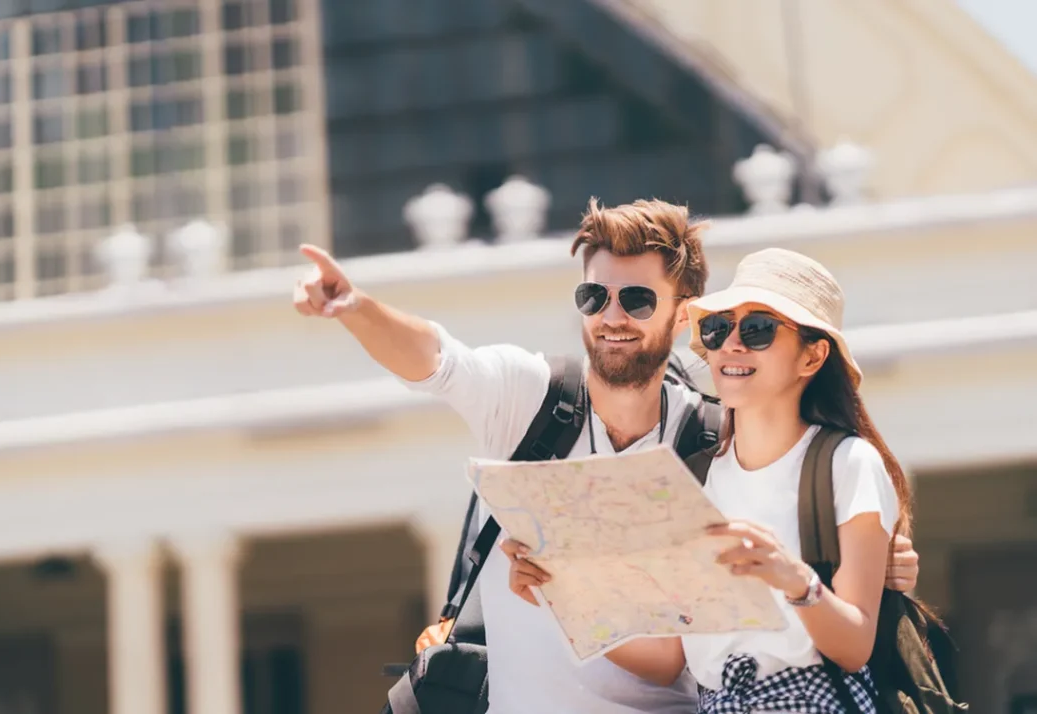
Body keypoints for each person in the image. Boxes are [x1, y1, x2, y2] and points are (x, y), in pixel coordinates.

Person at [293, 198, 920, 714]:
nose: (611, 317)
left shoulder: (711, 441)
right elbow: (437, 358)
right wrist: (357, 308)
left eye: (637, 301)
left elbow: (792, 540)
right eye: (594, 298)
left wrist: (868, 567)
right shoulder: (528, 399)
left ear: (681, 317)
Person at [509, 247, 912, 712]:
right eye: (718, 329)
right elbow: (668, 659)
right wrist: (556, 589)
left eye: (758, 330)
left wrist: (797, 582)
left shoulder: (848, 463)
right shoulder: (695, 476)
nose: (731, 346)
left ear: (812, 357)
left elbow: (854, 644)